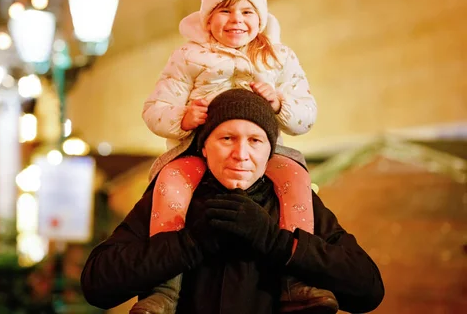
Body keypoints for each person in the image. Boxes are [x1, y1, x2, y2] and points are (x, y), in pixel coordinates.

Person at [80, 88, 384, 314]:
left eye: (255, 140)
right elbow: (98, 284)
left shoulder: (294, 202)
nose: (241, 153)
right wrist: (189, 243)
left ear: (270, 151)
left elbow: (367, 289)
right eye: (227, 138)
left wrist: (275, 241)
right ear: (204, 147)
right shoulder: (173, 196)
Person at [139, 0, 320, 312]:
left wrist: (280, 102)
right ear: (208, 19)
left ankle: (298, 280)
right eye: (225, 10)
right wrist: (182, 118)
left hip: (264, 153)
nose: (237, 19)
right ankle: (162, 287)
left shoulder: (278, 57)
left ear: (261, 17)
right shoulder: (189, 55)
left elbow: (306, 114)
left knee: (296, 178)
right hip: (197, 151)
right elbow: (154, 107)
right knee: (171, 182)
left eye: (247, 11)